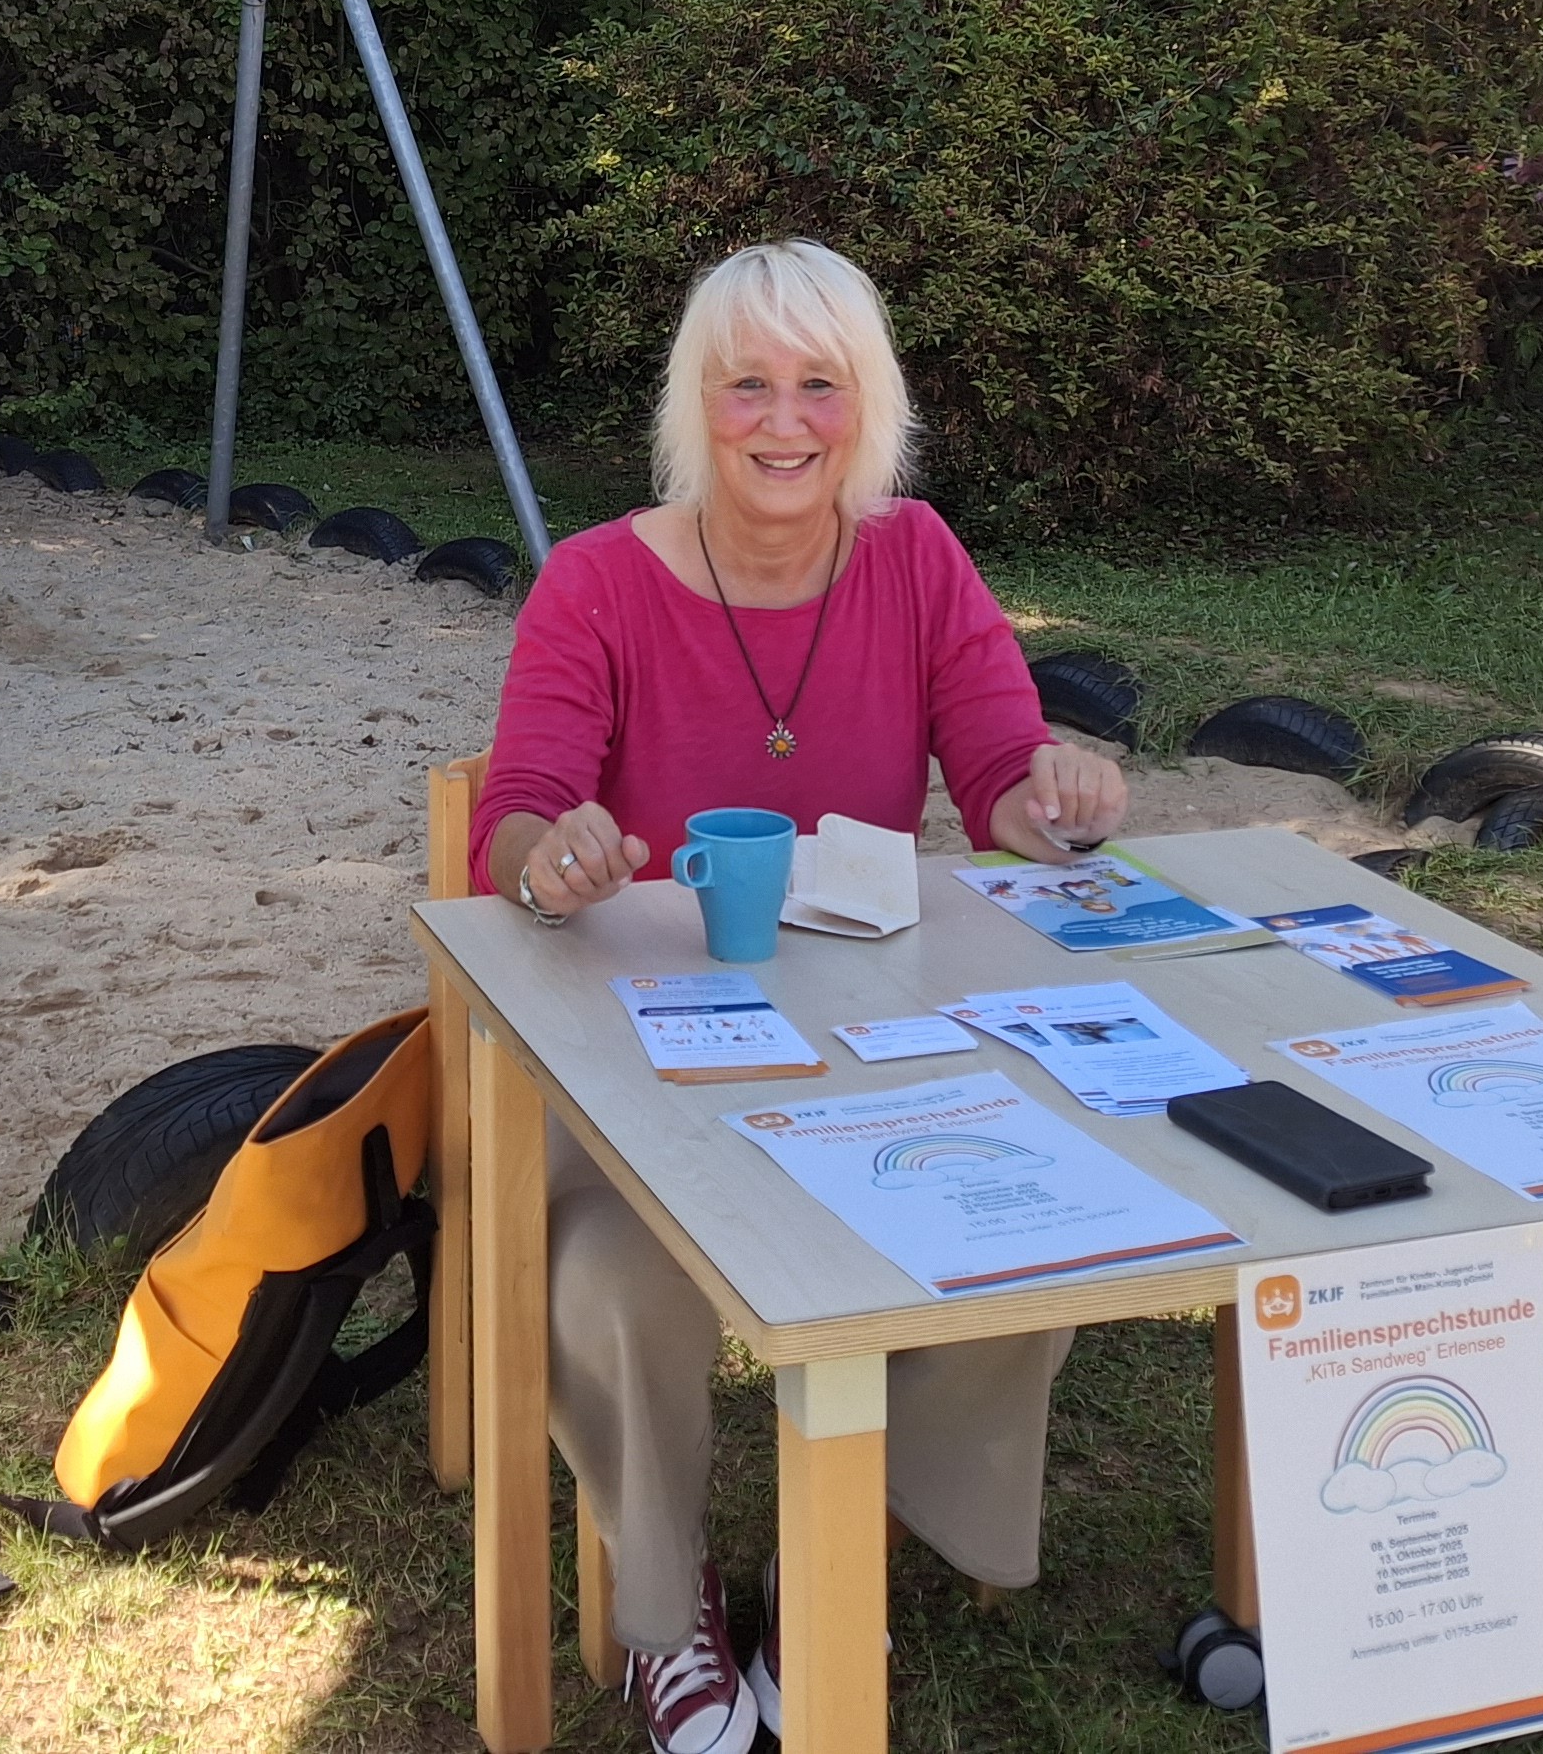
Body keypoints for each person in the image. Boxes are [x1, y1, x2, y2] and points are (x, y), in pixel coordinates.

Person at [470, 240, 1127, 1754]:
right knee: (610, 1280)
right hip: (639, 1070)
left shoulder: (917, 557)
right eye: (747, 384)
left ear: (867, 404)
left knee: (1048, 1210)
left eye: (819, 384)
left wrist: (1057, 794)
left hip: (867, 1048)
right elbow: (518, 811)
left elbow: (1002, 784)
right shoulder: (596, 583)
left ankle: (836, 1542)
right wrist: (551, 857)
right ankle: (668, 1598)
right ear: (694, 405)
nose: (783, 422)